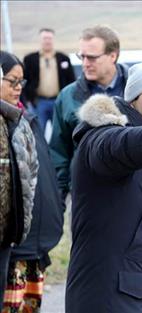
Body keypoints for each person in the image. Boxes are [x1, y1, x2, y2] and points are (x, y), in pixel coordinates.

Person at [65, 62, 142, 313]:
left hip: (141, 292)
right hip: (106, 297)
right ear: (133, 101)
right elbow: (119, 147)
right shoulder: (101, 136)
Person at [1, 50, 63, 312]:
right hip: (13, 249)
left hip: (35, 247)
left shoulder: (25, 120)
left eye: (22, 82)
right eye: (12, 81)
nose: (18, 88)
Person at [49, 25, 128, 202]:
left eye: (91, 57)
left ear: (113, 55)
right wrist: (63, 194)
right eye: (81, 56)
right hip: (86, 193)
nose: (85, 63)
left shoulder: (138, 91)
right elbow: (58, 151)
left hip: (135, 189)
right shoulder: (68, 97)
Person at [23, 28, 76, 132]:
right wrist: (29, 99)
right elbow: (25, 80)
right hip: (39, 102)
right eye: (44, 38)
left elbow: (71, 80)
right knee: (38, 132)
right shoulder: (30, 59)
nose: (47, 41)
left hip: (58, 102)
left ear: (53, 40)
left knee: (60, 132)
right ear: (40, 40)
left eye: (49, 38)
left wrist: (67, 100)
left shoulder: (63, 58)